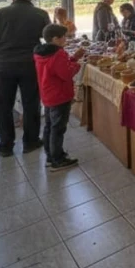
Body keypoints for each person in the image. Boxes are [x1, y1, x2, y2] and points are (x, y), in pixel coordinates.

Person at [0, 0, 51, 157]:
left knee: (4, 106)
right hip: (30, 64)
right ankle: (31, 141)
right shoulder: (40, 14)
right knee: (31, 104)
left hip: (4, 65)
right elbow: (49, 39)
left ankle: (5, 146)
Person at [34, 24, 84, 171]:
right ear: (55, 39)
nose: (66, 39)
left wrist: (74, 57)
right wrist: (78, 65)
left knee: (50, 126)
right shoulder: (57, 54)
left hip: (48, 94)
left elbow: (57, 69)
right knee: (58, 128)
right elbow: (66, 73)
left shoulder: (41, 53)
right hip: (60, 95)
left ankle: (50, 155)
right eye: (64, 37)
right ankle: (57, 160)